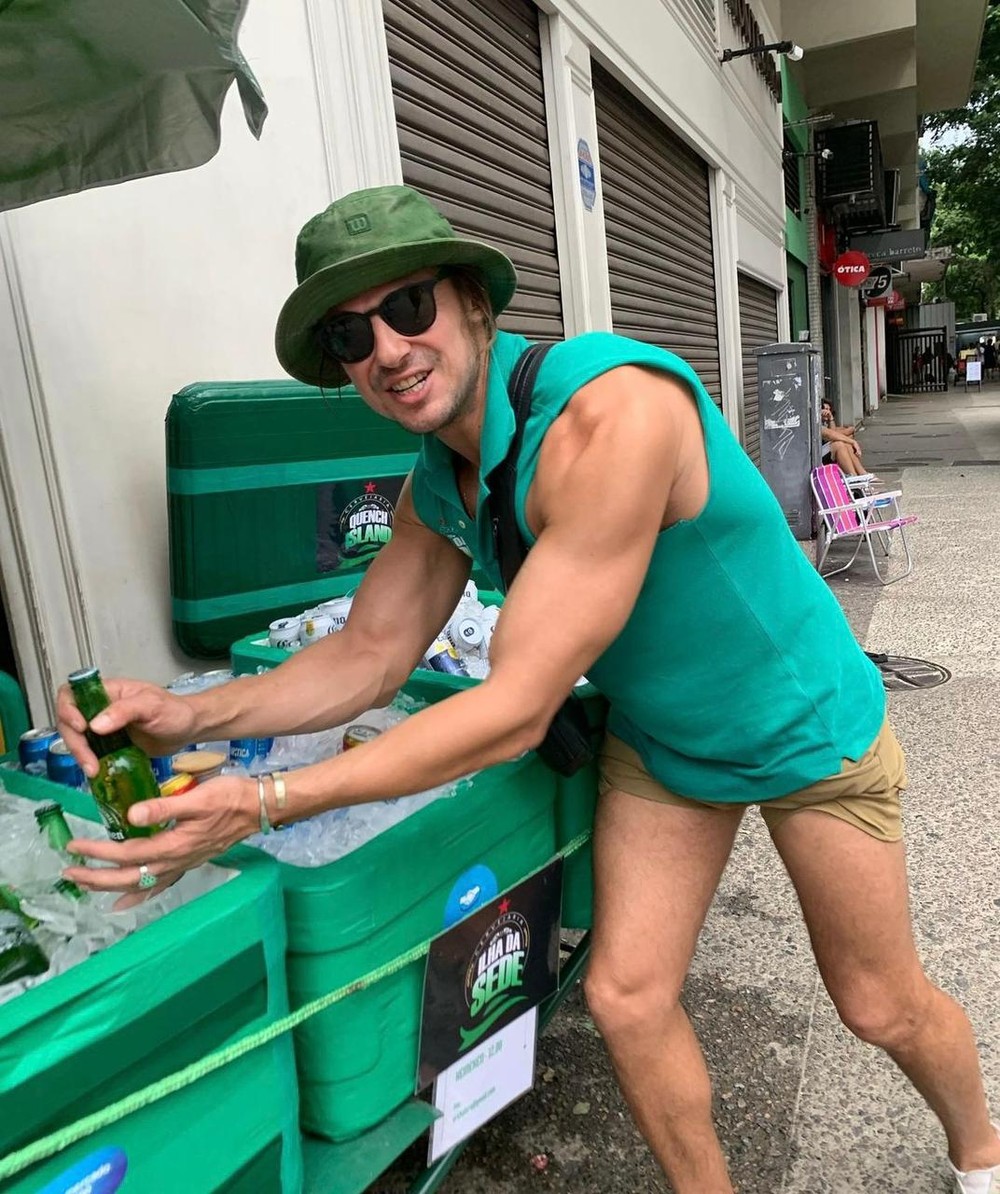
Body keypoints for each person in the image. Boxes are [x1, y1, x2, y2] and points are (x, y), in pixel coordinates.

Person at [56, 185, 999, 1194]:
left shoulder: (611, 413)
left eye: (407, 307)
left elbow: (513, 712)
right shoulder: (443, 480)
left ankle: (981, 1152)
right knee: (628, 999)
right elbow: (366, 656)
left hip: (800, 724)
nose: (385, 349)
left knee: (877, 1004)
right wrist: (184, 714)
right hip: (663, 741)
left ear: (471, 302)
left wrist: (264, 803)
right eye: (348, 334)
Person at [820, 398, 867, 478]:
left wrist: (831, 418)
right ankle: (853, 476)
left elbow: (833, 432)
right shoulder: (815, 421)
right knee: (839, 444)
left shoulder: (824, 422)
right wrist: (853, 441)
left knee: (845, 443)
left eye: (829, 409)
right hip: (816, 454)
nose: (827, 412)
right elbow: (829, 434)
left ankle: (862, 473)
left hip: (823, 450)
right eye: (825, 409)